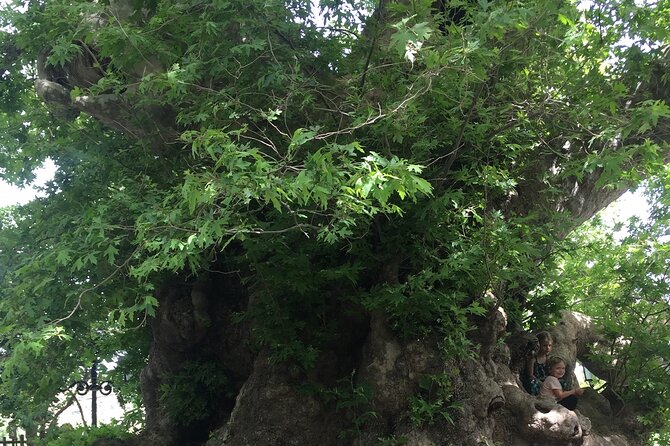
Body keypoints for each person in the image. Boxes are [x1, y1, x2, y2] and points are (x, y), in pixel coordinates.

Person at [523, 331, 553, 395]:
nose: (548, 348)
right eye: (544, 345)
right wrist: (541, 383)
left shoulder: (549, 359)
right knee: (532, 383)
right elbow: (530, 375)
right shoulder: (533, 359)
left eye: (549, 345)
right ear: (538, 345)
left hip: (547, 381)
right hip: (537, 381)